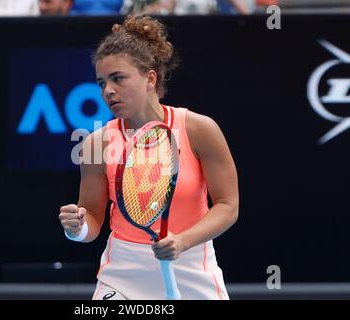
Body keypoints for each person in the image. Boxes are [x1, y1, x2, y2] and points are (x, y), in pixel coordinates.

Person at [59, 14, 239, 300]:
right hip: (123, 274)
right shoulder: (95, 143)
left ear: (150, 79)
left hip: (192, 266)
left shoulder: (199, 129)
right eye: (101, 83)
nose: (108, 90)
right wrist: (77, 228)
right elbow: (92, 218)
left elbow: (228, 205)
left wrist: (181, 242)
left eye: (118, 78)